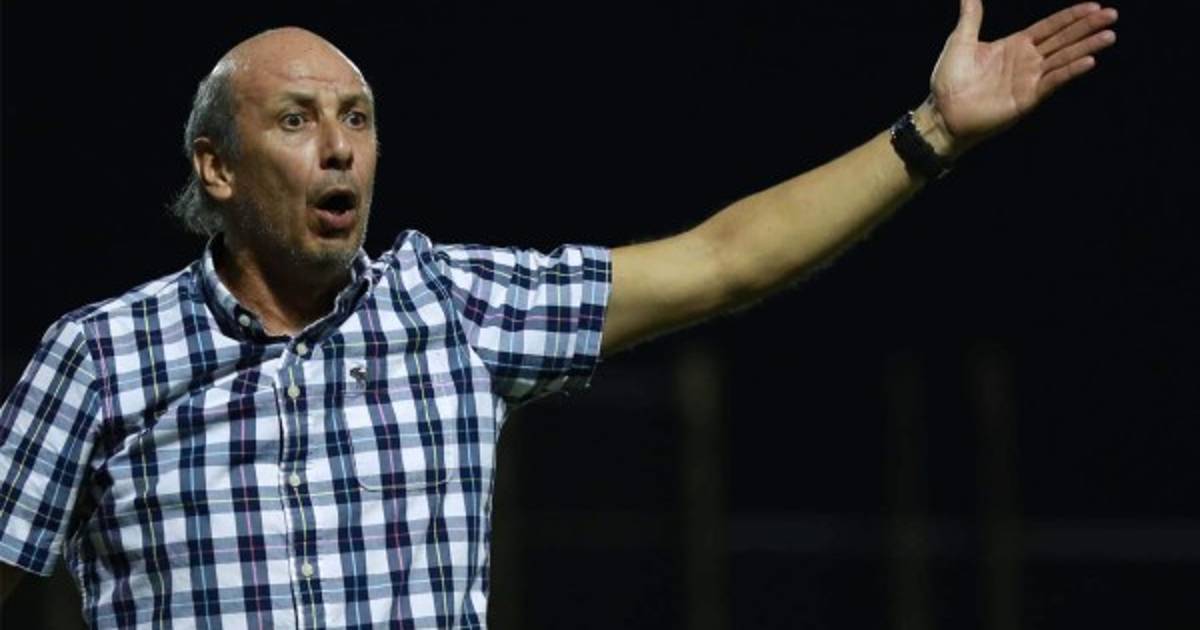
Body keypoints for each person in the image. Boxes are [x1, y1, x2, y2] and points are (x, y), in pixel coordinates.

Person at [0, 1, 1117, 627]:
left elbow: (724, 260)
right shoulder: (103, 357)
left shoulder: (451, 309)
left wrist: (932, 131)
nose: (339, 148)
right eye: (296, 120)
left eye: (359, 118)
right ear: (218, 166)